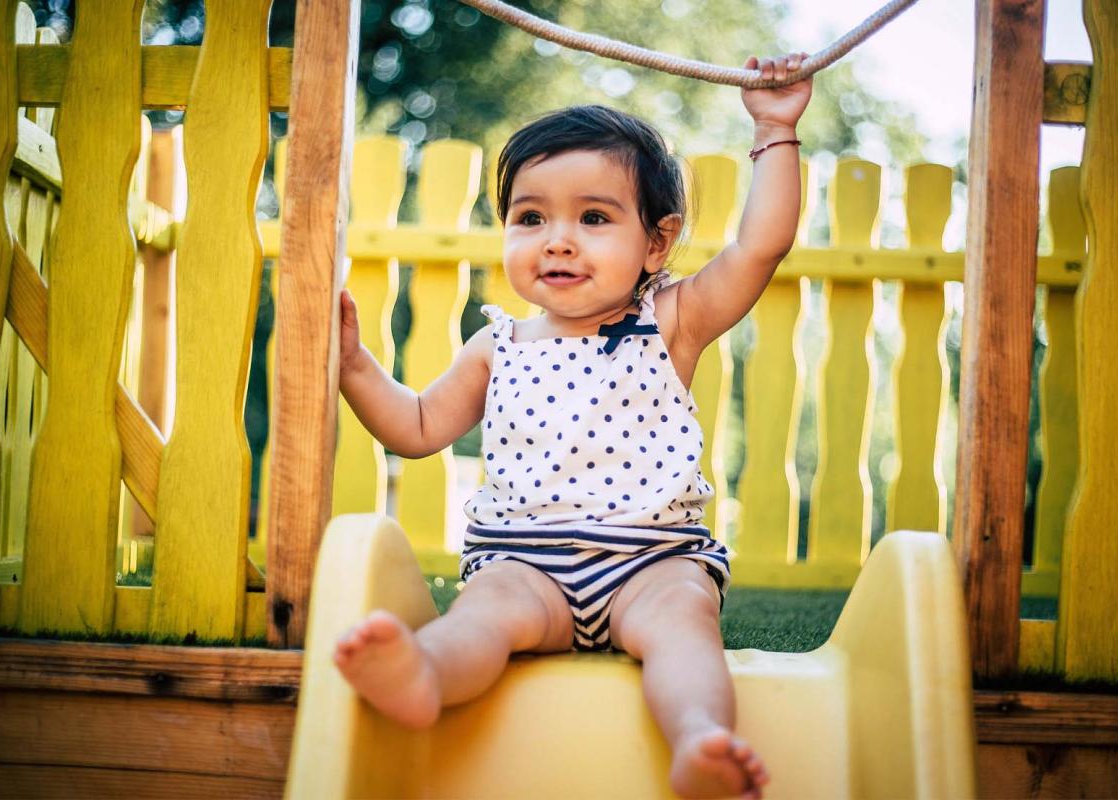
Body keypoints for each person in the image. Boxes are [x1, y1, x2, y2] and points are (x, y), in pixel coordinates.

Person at [334, 54, 811, 800]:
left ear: (656, 243)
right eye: (531, 218)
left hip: (651, 563)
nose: (557, 240)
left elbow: (760, 248)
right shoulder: (498, 345)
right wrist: (356, 366)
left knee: (686, 622)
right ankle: (425, 674)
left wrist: (775, 130)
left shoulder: (671, 319)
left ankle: (699, 740)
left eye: (593, 217)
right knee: (482, 615)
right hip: (524, 564)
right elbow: (419, 426)